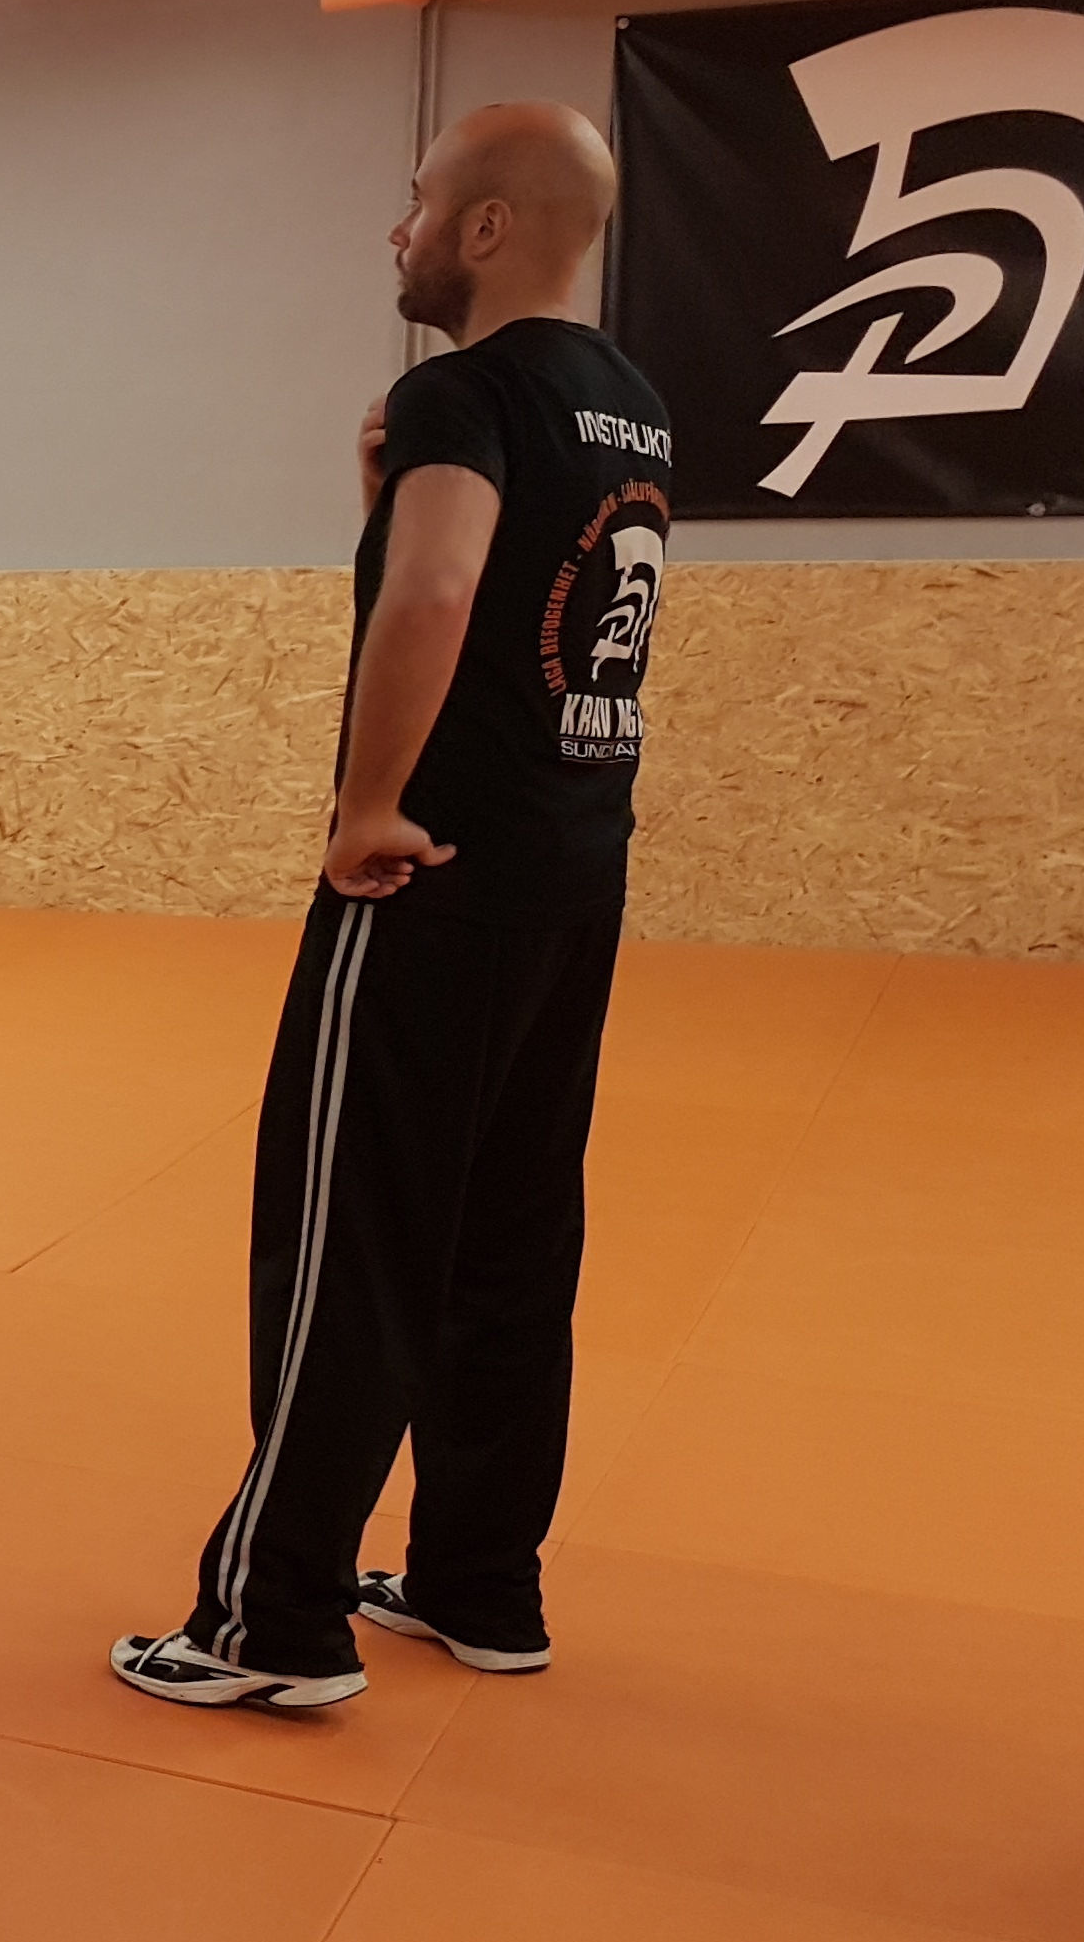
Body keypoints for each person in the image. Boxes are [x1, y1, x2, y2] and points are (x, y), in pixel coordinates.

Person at [114, 103, 670, 1711]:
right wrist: (383, 494)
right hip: (570, 873)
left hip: (429, 875)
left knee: (351, 1234)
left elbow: (438, 589)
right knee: (513, 1234)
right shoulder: (631, 406)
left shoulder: (463, 391)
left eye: (418, 201)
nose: (398, 230)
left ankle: (271, 1618)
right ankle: (481, 1582)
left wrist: (366, 808)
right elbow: (515, 596)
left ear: (487, 228)